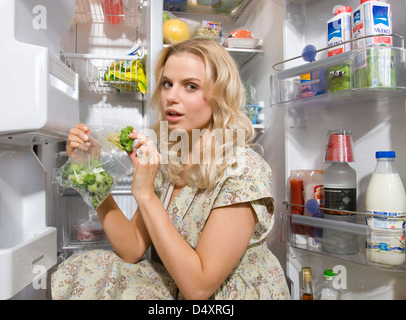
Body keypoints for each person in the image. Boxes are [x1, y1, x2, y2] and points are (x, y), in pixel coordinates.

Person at [51, 38, 290, 300]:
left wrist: (144, 193)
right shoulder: (170, 159)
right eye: (167, 84)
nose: (171, 97)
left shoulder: (241, 168)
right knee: (87, 267)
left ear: (220, 96)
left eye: (190, 86)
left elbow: (198, 287)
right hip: (182, 289)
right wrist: (91, 171)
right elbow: (131, 248)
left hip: (231, 297)